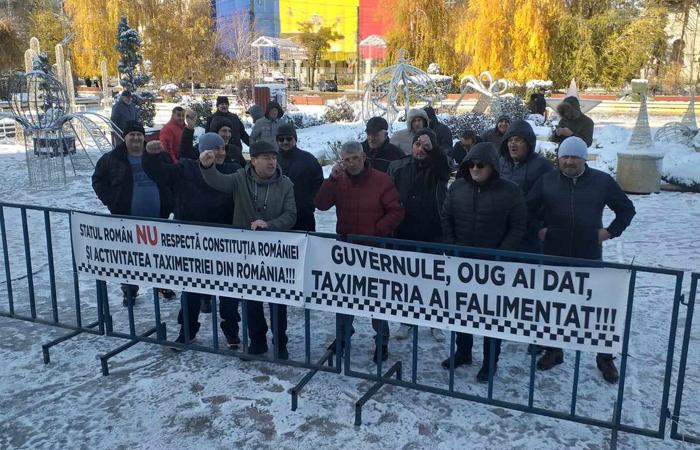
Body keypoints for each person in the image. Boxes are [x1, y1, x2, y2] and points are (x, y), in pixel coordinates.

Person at [527, 137, 636, 383]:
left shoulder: (602, 181)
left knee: (596, 308)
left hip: (589, 255)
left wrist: (609, 232)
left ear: (584, 158)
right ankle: (554, 350)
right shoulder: (547, 181)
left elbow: (626, 209)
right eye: (565, 156)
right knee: (554, 304)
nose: (569, 161)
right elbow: (527, 209)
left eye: (575, 157)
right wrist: (539, 229)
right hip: (554, 253)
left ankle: (604, 358)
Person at [142, 135, 242, 349]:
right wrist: (150, 156)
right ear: (202, 151)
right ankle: (187, 332)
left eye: (223, 148)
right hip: (191, 242)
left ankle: (232, 332)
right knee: (191, 290)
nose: (221, 152)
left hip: (224, 241)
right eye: (215, 148)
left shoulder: (232, 169)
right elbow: (160, 173)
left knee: (228, 291)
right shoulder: (186, 168)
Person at [200, 140, 296, 358]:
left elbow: (291, 214)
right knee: (251, 298)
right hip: (246, 252)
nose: (272, 162)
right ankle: (257, 341)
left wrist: (269, 224)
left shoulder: (286, 184)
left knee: (277, 300)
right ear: (253, 160)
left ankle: (280, 343)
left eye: (274, 157)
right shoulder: (240, 178)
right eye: (266, 158)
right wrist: (207, 166)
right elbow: (218, 181)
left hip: (275, 251)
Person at [440, 142, 526, 382]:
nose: (475, 169)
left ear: (492, 167)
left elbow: (518, 225)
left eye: (480, 165)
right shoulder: (457, 188)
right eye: (471, 165)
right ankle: (463, 352)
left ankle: (490, 362)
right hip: (463, 263)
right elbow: (446, 218)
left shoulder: (510, 191)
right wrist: (452, 247)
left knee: (491, 316)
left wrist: (502, 255)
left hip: (494, 266)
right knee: (462, 311)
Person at [314, 141, 405, 363]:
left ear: (363, 157)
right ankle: (343, 335)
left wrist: (377, 231)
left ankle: (381, 340)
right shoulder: (339, 180)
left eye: (355, 158)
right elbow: (321, 204)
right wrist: (331, 179)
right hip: (347, 249)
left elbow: (396, 211)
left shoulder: (381, 180)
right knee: (344, 296)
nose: (351, 163)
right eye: (346, 160)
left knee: (376, 297)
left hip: (374, 250)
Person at [92, 121, 175, 305]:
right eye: (132, 135)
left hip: (158, 216)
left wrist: (171, 200)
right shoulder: (112, 158)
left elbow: (172, 177)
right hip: (127, 218)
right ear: (125, 137)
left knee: (159, 254)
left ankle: (161, 284)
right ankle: (130, 290)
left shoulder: (157, 154)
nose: (136, 138)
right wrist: (111, 200)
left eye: (139, 134)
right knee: (129, 257)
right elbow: (98, 180)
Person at [388, 129, 451, 343]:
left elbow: (446, 168)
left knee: (433, 280)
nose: (420, 149)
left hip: (433, 233)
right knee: (406, 281)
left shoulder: (438, 166)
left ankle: (435, 321)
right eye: (417, 144)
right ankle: (406, 320)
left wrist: (433, 150)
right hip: (405, 232)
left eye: (425, 146)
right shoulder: (398, 166)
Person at [276, 124, 324, 231]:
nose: (285, 142)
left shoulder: (308, 159)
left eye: (289, 138)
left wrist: (310, 204)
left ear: (295, 139)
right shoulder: (272, 160)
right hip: (277, 217)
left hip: (303, 216)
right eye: (281, 139)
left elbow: (319, 183)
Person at [180, 109, 246, 167]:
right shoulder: (204, 148)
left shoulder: (234, 151)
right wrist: (189, 128)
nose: (227, 135)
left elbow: (246, 170)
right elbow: (186, 152)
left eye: (229, 131)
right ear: (215, 132)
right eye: (224, 131)